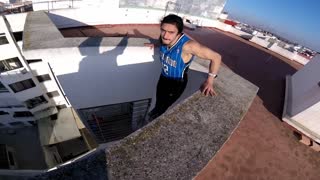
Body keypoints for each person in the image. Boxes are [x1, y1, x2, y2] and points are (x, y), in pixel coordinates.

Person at [147, 14, 222, 121]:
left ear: (179, 32)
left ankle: (155, 120)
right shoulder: (164, 39)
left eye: (171, 32)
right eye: (163, 30)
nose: (165, 35)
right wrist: (156, 45)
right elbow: (163, 41)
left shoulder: (188, 46)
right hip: (163, 77)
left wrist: (210, 81)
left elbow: (216, 57)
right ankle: (155, 112)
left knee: (164, 107)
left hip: (176, 83)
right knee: (158, 101)